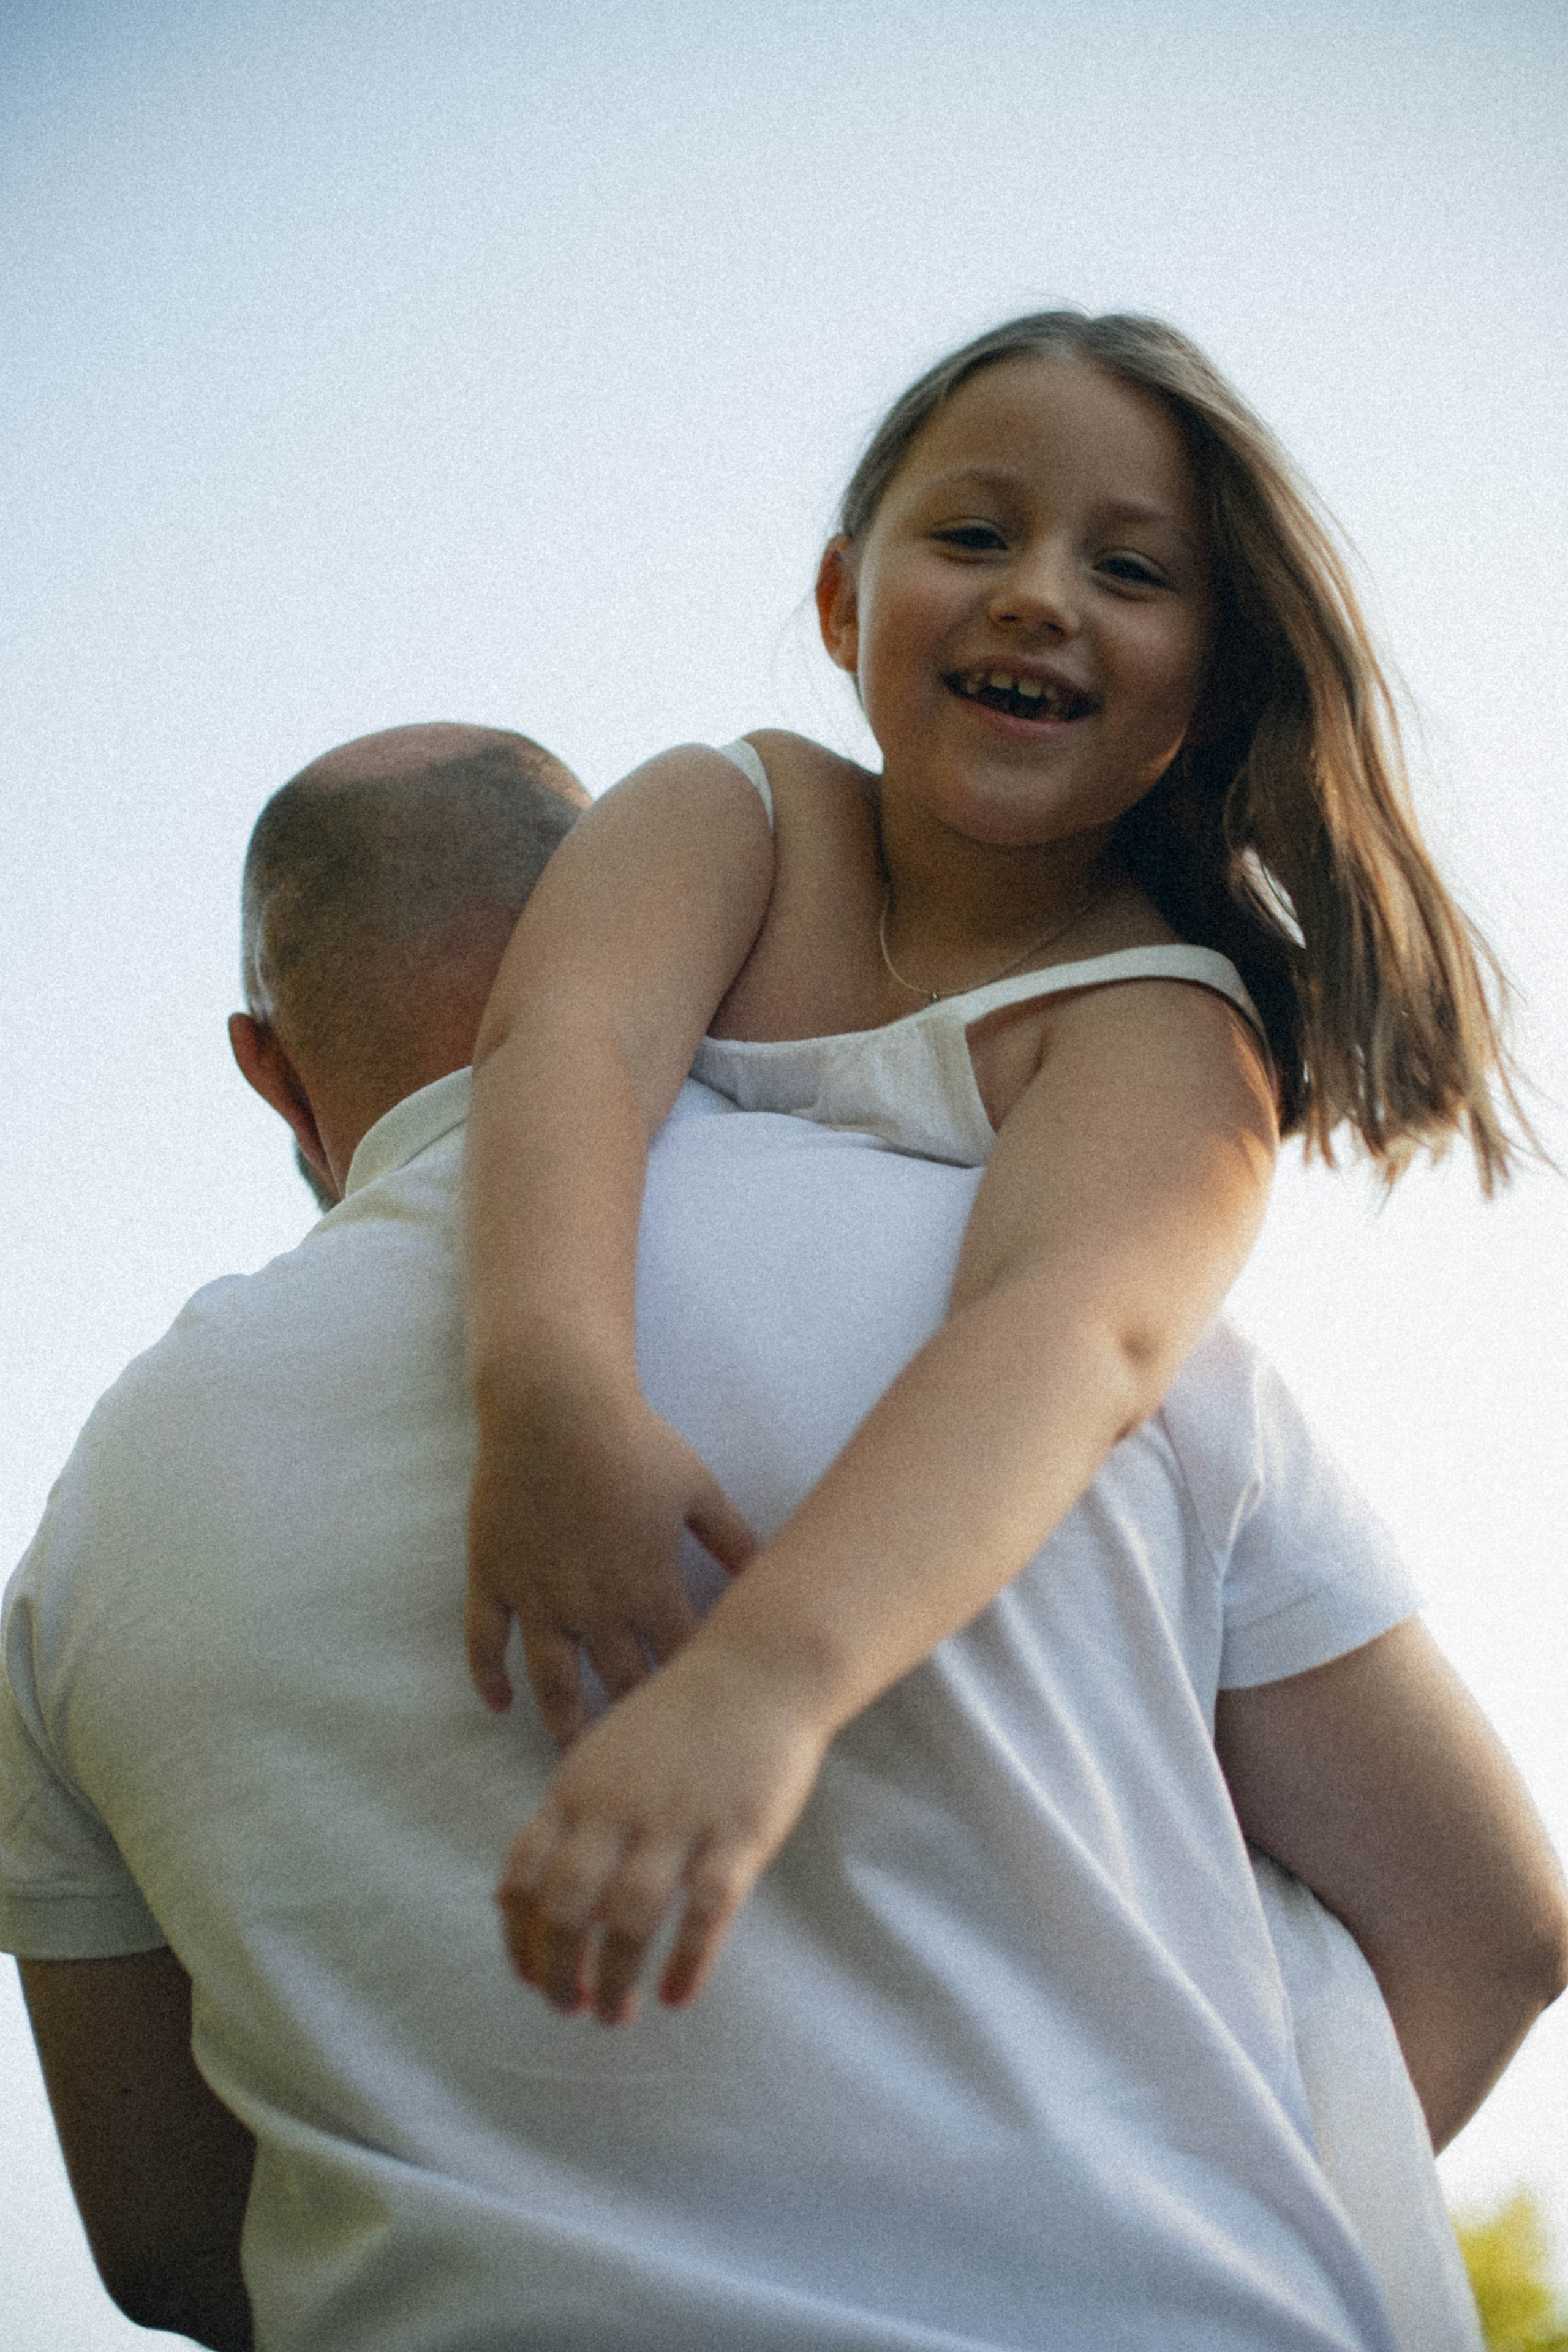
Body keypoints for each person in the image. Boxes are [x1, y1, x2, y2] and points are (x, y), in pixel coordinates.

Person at [3, 726, 1562, 2350]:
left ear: (270, 1067)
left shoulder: (90, 1531)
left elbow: (167, 2243)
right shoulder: (1038, 1294)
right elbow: (1491, 1926)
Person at [461, 311, 1529, 2028]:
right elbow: (565, 1052)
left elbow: (1062, 1338)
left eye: (1130, 569)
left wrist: (764, 1684)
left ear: (1218, 680)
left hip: (1067, 1601)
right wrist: (552, 1385)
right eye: (974, 536)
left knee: (1497, 1922)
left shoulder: (1162, 1028)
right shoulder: (731, 813)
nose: (1041, 593)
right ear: (840, 600)